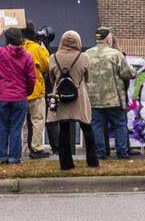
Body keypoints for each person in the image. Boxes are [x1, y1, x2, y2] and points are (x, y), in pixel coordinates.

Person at [0, 27, 36, 164]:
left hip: (2, 97)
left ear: (7, 39)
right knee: (16, 128)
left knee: (1, 128)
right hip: (19, 97)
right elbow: (31, 78)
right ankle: (15, 158)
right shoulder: (27, 56)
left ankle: (2, 157)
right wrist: (26, 92)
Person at [47, 30, 99, 170]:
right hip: (79, 96)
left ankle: (66, 163)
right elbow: (88, 78)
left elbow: (52, 79)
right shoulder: (84, 57)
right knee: (87, 127)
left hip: (60, 97)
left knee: (63, 129)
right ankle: (92, 161)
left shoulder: (53, 57)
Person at [85, 27, 134, 160]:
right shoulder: (115, 54)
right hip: (114, 98)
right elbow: (126, 73)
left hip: (93, 98)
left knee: (97, 126)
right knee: (119, 125)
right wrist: (133, 70)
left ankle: (100, 153)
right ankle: (122, 152)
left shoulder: (87, 54)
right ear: (108, 38)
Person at [21, 22, 52, 159]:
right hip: (35, 89)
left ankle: (19, 148)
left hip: (20, 91)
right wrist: (43, 46)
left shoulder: (17, 47)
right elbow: (47, 65)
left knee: (19, 122)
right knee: (38, 120)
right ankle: (37, 148)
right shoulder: (35, 48)